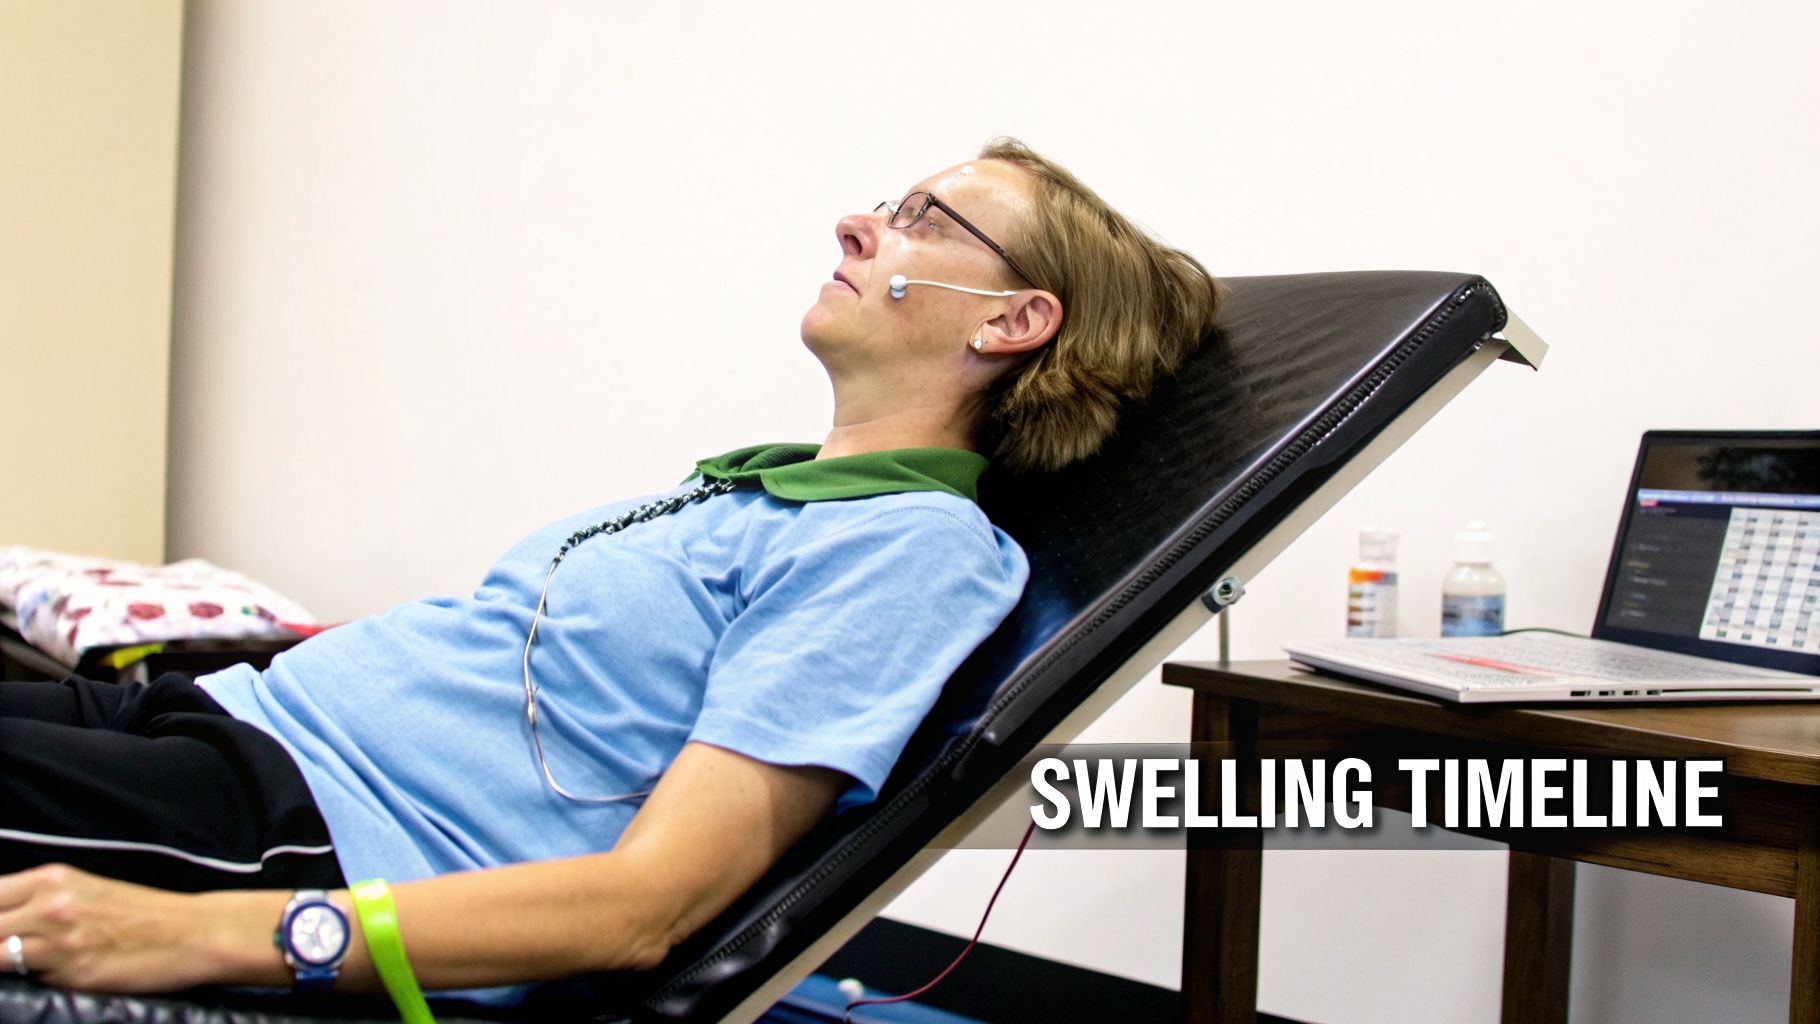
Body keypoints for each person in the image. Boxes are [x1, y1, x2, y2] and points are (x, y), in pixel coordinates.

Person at [0, 138, 1221, 1001]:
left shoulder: (908, 550)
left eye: (924, 221)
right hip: (220, 717)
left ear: (1011, 323)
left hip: (310, 829)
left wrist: (203, 933)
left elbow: (648, 906)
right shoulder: (757, 489)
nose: (859, 225)